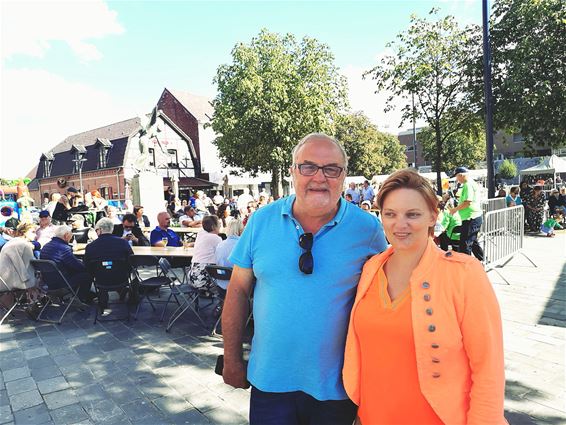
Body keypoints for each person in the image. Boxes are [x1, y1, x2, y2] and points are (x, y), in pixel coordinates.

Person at [222, 133, 388, 425]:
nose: (319, 178)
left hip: (337, 388)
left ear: (344, 176)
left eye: (331, 169)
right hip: (269, 380)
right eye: (308, 166)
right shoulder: (261, 221)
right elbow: (237, 290)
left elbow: (385, 303)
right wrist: (232, 358)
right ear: (292, 172)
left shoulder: (368, 230)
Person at [343, 169, 506, 425]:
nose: (400, 224)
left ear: (433, 216)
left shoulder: (464, 273)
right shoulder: (371, 269)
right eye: (390, 214)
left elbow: (488, 367)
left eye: (413, 214)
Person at [84, 218, 134, 310]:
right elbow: (131, 260)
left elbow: (87, 266)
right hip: (121, 278)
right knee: (131, 274)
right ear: (112, 229)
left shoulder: (90, 246)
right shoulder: (123, 242)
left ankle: (103, 298)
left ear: (99, 230)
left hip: (101, 280)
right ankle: (130, 296)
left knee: (102, 270)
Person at [40, 225, 95, 303]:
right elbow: (77, 266)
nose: (71, 238)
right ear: (66, 235)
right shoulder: (64, 248)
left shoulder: (46, 246)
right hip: (62, 282)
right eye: (71, 235)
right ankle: (81, 298)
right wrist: (86, 266)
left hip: (48, 282)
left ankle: (79, 296)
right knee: (87, 274)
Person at [449, 166, 484, 261]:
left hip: (471, 218)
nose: (456, 179)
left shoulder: (468, 185)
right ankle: (482, 260)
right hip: (472, 217)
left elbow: (468, 201)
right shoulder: (470, 184)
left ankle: (466, 267)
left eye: (456, 176)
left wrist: (454, 209)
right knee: (473, 242)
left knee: (465, 244)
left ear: (460, 175)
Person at [188, 215, 223, 290]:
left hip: (193, 276)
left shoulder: (200, 234)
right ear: (213, 227)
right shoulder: (216, 238)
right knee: (228, 278)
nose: (220, 225)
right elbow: (222, 254)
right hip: (203, 279)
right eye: (219, 223)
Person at [214, 218, 244, 291]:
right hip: (237, 286)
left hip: (221, 285)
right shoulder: (243, 245)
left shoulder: (220, 244)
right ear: (240, 231)